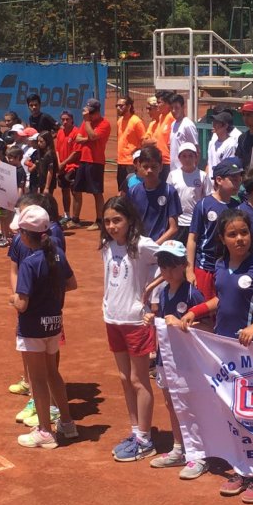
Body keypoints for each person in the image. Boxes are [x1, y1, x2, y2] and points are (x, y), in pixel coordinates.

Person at [179, 208, 253, 503]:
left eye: (244, 233)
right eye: (233, 234)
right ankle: (241, 467)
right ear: (223, 239)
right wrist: (194, 311)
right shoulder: (221, 266)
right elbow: (221, 299)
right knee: (233, 412)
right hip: (225, 353)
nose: (240, 239)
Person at [10, 205, 78, 449]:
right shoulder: (57, 254)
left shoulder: (29, 263)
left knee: (38, 379)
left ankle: (45, 432)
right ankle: (68, 424)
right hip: (54, 324)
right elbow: (72, 284)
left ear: (27, 235)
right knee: (52, 374)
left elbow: (22, 304)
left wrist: (13, 300)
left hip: (33, 328)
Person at [101, 196, 161, 461]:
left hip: (136, 321)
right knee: (125, 379)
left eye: (117, 220)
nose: (112, 226)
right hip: (113, 318)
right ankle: (136, 432)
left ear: (129, 220)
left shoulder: (143, 245)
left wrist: (151, 292)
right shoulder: (107, 245)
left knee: (139, 380)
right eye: (107, 221)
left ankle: (146, 440)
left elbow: (169, 261)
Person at [144, 240, 207, 479]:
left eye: (172, 265)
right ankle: (179, 448)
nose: (167, 271)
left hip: (188, 362)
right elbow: (162, 323)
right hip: (166, 359)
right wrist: (153, 318)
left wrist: (184, 325)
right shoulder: (162, 292)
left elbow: (209, 326)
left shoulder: (192, 292)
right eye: (163, 265)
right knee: (172, 404)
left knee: (190, 405)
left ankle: (198, 454)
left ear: (184, 265)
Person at [186, 157, 243, 300]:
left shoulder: (238, 206)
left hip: (228, 268)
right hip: (205, 267)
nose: (238, 182)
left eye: (239, 178)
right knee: (203, 310)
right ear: (219, 180)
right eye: (233, 179)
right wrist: (189, 269)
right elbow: (192, 239)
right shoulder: (204, 205)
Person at [126, 146, 181, 244]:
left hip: (160, 248)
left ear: (161, 167)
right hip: (138, 245)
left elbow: (173, 228)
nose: (149, 170)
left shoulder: (169, 191)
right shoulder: (133, 191)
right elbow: (129, 221)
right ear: (139, 166)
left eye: (154, 167)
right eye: (145, 166)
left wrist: (154, 246)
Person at [70, 98, 110, 231]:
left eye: (91, 113)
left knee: (96, 192)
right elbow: (78, 138)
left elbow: (92, 136)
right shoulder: (86, 122)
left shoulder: (104, 124)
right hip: (84, 160)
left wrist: (87, 123)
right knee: (76, 190)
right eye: (88, 113)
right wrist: (88, 138)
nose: (89, 116)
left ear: (98, 112)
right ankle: (75, 219)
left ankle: (99, 221)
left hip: (96, 161)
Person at [167, 142, 211, 245]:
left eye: (190, 156)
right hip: (178, 222)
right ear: (179, 158)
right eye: (184, 156)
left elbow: (208, 198)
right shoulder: (173, 175)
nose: (187, 159)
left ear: (196, 157)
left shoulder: (202, 176)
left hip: (196, 222)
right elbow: (168, 198)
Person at [55, 111, 80, 225]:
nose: (64, 122)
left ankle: (75, 219)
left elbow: (76, 152)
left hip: (73, 167)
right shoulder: (60, 132)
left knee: (75, 192)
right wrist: (59, 163)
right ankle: (66, 215)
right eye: (63, 119)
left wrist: (63, 163)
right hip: (62, 167)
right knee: (64, 191)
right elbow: (57, 150)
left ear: (72, 120)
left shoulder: (76, 132)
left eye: (67, 119)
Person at [116, 96, 145, 189]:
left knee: (132, 189)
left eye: (121, 106)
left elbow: (143, 141)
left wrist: (135, 151)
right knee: (121, 191)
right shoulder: (119, 121)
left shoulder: (136, 121)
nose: (118, 108)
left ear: (129, 107)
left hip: (131, 163)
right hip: (121, 162)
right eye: (117, 105)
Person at [168, 94, 198, 170]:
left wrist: (193, 171)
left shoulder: (188, 125)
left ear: (183, 107)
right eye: (171, 108)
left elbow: (196, 149)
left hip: (186, 171)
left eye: (177, 108)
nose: (173, 111)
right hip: (174, 170)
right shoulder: (173, 124)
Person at [206, 111, 240, 176]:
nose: (213, 124)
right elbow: (209, 164)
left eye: (217, 123)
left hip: (221, 183)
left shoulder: (231, 145)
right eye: (213, 122)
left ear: (225, 126)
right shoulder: (211, 143)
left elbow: (227, 169)